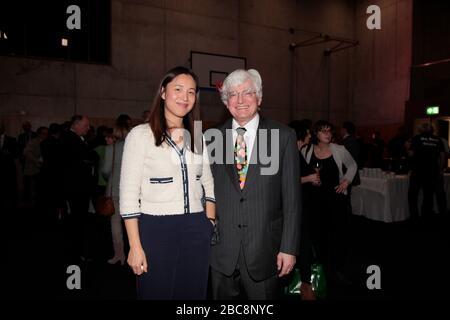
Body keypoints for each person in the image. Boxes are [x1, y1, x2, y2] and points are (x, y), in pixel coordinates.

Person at [120, 66, 216, 300]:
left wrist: (209, 222)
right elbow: (128, 193)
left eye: (192, 92)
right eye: (178, 89)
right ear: (163, 92)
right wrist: (134, 245)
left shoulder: (197, 135)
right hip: (155, 229)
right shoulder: (140, 135)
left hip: (196, 227)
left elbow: (208, 182)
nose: (185, 97)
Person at [209, 69, 301, 300]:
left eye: (247, 93)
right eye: (233, 94)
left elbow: (292, 199)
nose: (240, 100)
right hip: (221, 252)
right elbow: (205, 193)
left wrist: (289, 247)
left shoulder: (283, 136)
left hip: (265, 250)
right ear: (225, 101)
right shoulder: (211, 139)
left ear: (259, 98)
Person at [302, 120, 357, 292]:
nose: (328, 134)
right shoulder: (306, 151)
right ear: (316, 134)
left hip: (336, 200)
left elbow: (352, 165)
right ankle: (321, 269)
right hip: (314, 201)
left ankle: (335, 270)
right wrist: (310, 179)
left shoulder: (339, 149)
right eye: (323, 131)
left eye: (329, 131)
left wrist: (347, 181)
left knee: (337, 237)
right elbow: (301, 172)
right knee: (317, 236)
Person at [289, 119, 319, 300]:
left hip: (303, 205)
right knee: (300, 243)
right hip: (294, 207)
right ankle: (304, 286)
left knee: (304, 243)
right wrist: (309, 179)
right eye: (308, 132)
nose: (310, 135)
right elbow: (287, 181)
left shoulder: (298, 152)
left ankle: (304, 284)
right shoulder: (291, 152)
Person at [102, 121, 129, 265]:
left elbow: (106, 171)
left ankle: (119, 255)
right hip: (133, 191)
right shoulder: (135, 148)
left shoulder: (111, 148)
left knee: (115, 223)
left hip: (115, 190)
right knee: (134, 223)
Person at [408, 123, 446, 222]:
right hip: (432, 171)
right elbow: (442, 156)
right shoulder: (438, 140)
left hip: (418, 171)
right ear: (432, 130)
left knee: (413, 194)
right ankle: (427, 215)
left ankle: (414, 216)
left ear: (421, 130)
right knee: (428, 195)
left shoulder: (416, 138)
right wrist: (441, 170)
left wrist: (407, 147)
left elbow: (411, 154)